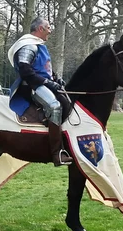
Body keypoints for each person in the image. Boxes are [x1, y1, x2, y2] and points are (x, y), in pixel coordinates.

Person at [7, 17, 73, 167]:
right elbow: (25, 70)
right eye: (48, 27)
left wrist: (57, 79)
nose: (50, 30)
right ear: (40, 29)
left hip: (42, 84)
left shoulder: (39, 45)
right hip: (31, 86)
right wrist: (48, 82)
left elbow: (45, 69)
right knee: (54, 107)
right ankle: (57, 154)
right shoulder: (28, 45)